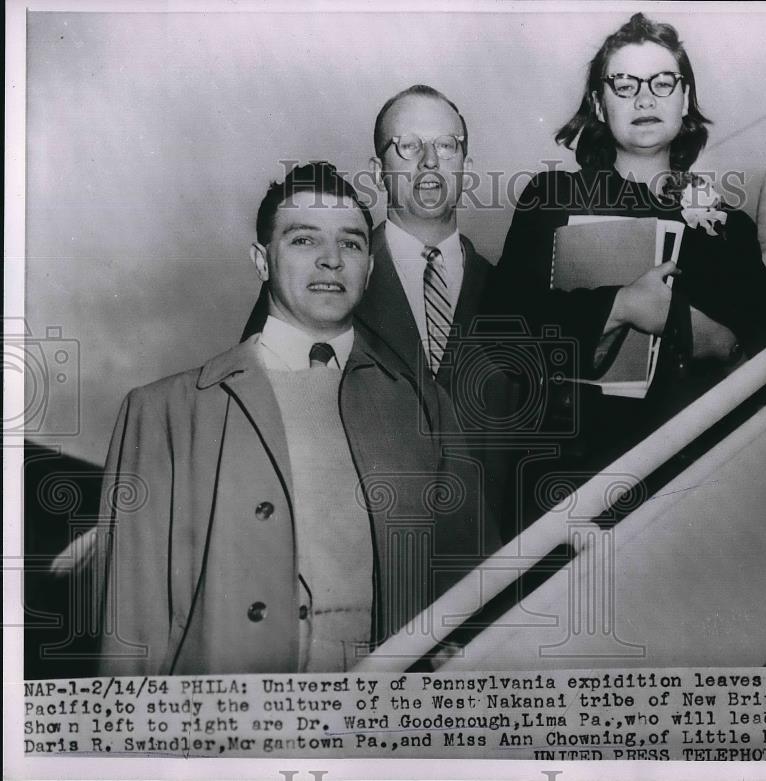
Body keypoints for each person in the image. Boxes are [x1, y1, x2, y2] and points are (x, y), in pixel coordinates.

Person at [95, 163, 486, 675]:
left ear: (369, 268)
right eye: (304, 240)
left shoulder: (425, 407)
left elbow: (473, 593)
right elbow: (130, 639)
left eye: (351, 244)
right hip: (224, 733)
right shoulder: (164, 413)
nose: (331, 260)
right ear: (261, 260)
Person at [487, 13, 766, 474]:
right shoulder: (552, 199)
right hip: (575, 473)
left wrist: (719, 344)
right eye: (624, 84)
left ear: (685, 99)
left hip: (699, 474)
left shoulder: (729, 228)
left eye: (663, 82)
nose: (644, 97)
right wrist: (620, 306)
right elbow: (500, 335)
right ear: (600, 105)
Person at [243, 86, 523, 541]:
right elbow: (258, 419)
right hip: (357, 571)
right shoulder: (317, 279)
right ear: (378, 172)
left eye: (446, 145)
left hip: (491, 578)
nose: (430, 162)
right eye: (409, 146)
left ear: (467, 169)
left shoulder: (513, 293)